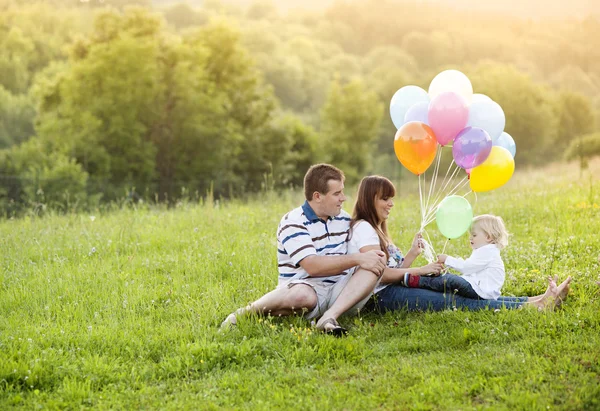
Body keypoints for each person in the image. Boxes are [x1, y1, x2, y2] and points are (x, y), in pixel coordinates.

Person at [346, 175, 571, 314]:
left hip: (396, 287)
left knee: (471, 293)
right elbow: (379, 276)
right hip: (383, 297)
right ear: (370, 199)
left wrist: (412, 254)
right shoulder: (365, 229)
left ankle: (536, 300)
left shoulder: (378, 230)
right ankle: (537, 306)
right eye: (385, 199)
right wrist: (421, 270)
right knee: (455, 301)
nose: (391, 204)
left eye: (391, 198)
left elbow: (394, 271)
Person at [220, 164, 387, 335]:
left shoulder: (343, 219)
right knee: (303, 296)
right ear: (317, 196)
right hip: (306, 288)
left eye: (342, 192)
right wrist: (357, 258)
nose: (343, 198)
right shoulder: (293, 222)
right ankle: (243, 314)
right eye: (337, 193)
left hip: (343, 294)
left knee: (374, 262)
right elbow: (312, 266)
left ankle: (329, 317)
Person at [403, 214, 508, 301]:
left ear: (488, 237)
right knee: (449, 278)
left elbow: (466, 267)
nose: (470, 238)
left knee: (450, 280)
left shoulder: (488, 252)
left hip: (481, 291)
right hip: (479, 288)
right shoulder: (486, 250)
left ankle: (418, 281)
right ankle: (422, 280)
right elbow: (470, 269)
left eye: (474, 235)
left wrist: (448, 259)